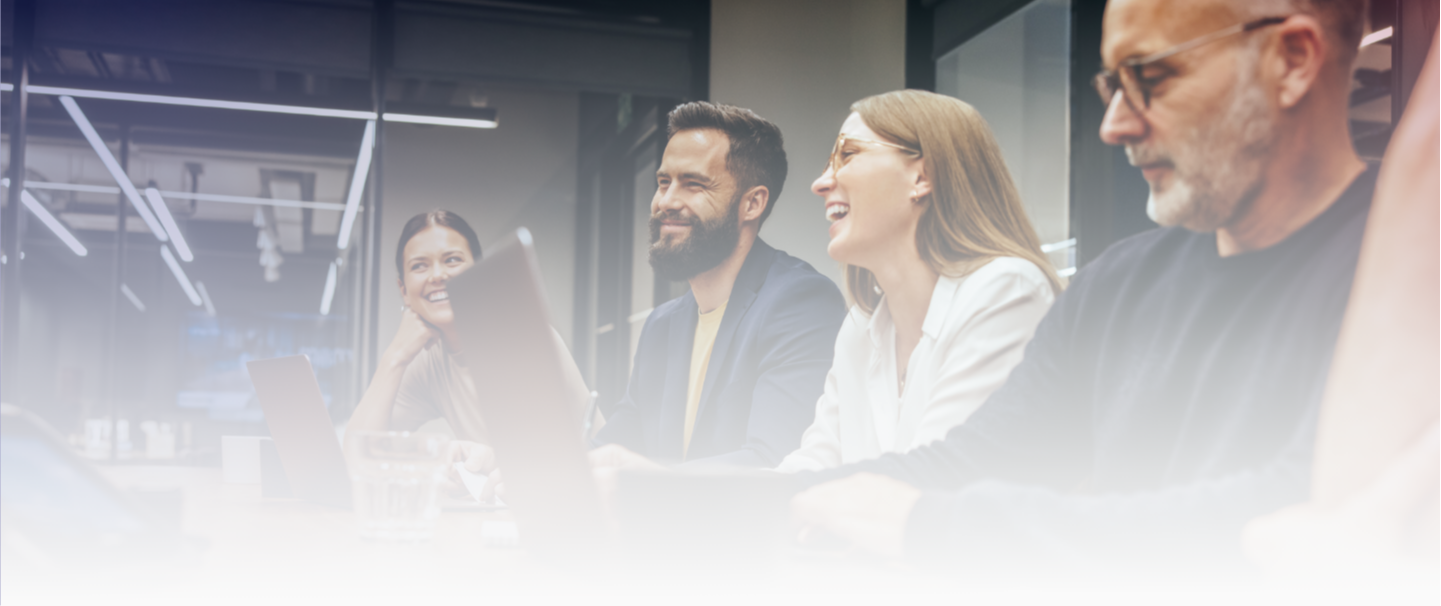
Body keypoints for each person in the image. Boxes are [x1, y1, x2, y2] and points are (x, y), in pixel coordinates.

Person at [789, 0, 1377, 571]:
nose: (1115, 125)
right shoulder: (1116, 287)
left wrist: (926, 525)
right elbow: (983, 458)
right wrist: (772, 502)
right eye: (1112, 86)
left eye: (1152, 78)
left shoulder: (1396, 278)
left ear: (1293, 60)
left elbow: (1305, 509)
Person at [773, 90, 1060, 473]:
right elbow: (813, 464)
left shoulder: (1007, 292)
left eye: (848, 154)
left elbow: (932, 482)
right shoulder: (860, 328)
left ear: (922, 177)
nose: (822, 182)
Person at [592, 101, 848, 467]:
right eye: (663, 182)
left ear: (753, 203)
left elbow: (771, 462)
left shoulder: (802, 303)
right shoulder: (661, 325)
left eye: (693, 184)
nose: (666, 201)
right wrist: (529, 466)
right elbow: (616, 443)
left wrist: (647, 483)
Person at [344, 210, 589, 468]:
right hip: (505, 504)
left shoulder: (519, 340)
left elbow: (549, 466)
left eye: (452, 260)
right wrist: (394, 358)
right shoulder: (429, 358)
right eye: (419, 266)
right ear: (404, 290)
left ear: (478, 271)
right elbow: (357, 456)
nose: (437, 275)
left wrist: (473, 470)